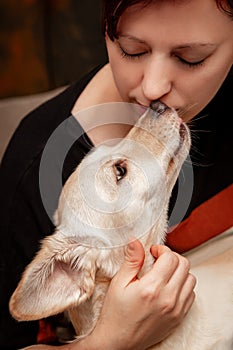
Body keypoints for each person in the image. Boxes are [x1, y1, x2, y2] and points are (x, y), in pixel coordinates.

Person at [0, 0, 232, 348]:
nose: (154, 90)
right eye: (131, 50)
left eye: (190, 58)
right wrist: (110, 340)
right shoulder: (33, 170)